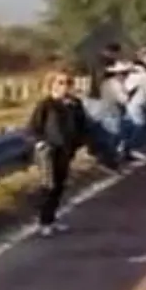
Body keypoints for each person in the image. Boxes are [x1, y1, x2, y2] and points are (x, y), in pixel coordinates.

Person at [25, 69, 89, 237]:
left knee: (60, 185)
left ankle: (52, 219)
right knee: (49, 185)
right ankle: (44, 221)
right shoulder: (45, 105)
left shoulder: (75, 104)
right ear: (52, 84)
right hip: (48, 150)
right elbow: (33, 128)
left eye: (68, 82)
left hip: (66, 150)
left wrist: (78, 143)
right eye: (60, 82)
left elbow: (82, 125)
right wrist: (40, 143)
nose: (65, 86)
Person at [122, 51, 146, 161]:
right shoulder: (141, 73)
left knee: (129, 126)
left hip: (133, 103)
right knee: (140, 125)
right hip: (137, 103)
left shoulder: (134, 72)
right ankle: (134, 148)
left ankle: (127, 148)